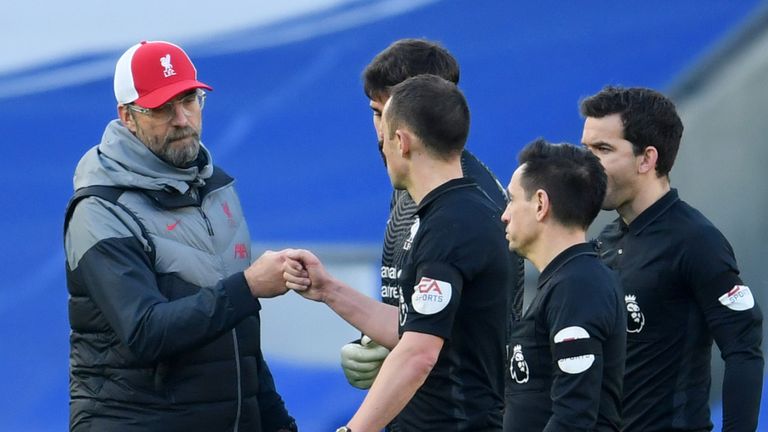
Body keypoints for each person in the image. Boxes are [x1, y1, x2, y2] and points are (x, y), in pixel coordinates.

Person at [64, 40, 297, 432]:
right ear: (127, 117)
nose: (182, 119)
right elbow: (145, 331)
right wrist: (247, 287)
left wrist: (277, 424)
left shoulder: (217, 188)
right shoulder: (100, 209)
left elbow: (239, 343)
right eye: (162, 107)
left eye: (189, 100)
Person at [284, 74, 511, 431]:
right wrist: (328, 289)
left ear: (402, 142)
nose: (382, 149)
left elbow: (418, 354)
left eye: (384, 137)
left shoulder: (452, 225)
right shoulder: (449, 213)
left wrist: (352, 430)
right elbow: (414, 327)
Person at [339, 37, 524, 408]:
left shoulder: (473, 208)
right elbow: (418, 306)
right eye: (376, 113)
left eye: (386, 114)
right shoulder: (409, 186)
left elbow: (469, 334)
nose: (382, 133)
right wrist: (374, 344)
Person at [580, 86, 764, 432]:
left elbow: (743, 350)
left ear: (647, 159)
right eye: (585, 149)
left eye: (602, 149)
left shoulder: (696, 241)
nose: (586, 164)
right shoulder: (604, 242)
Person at [501, 139, 625, 431]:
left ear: (541, 204)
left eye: (512, 200)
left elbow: (574, 417)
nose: (504, 214)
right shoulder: (566, 281)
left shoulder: (578, 287)